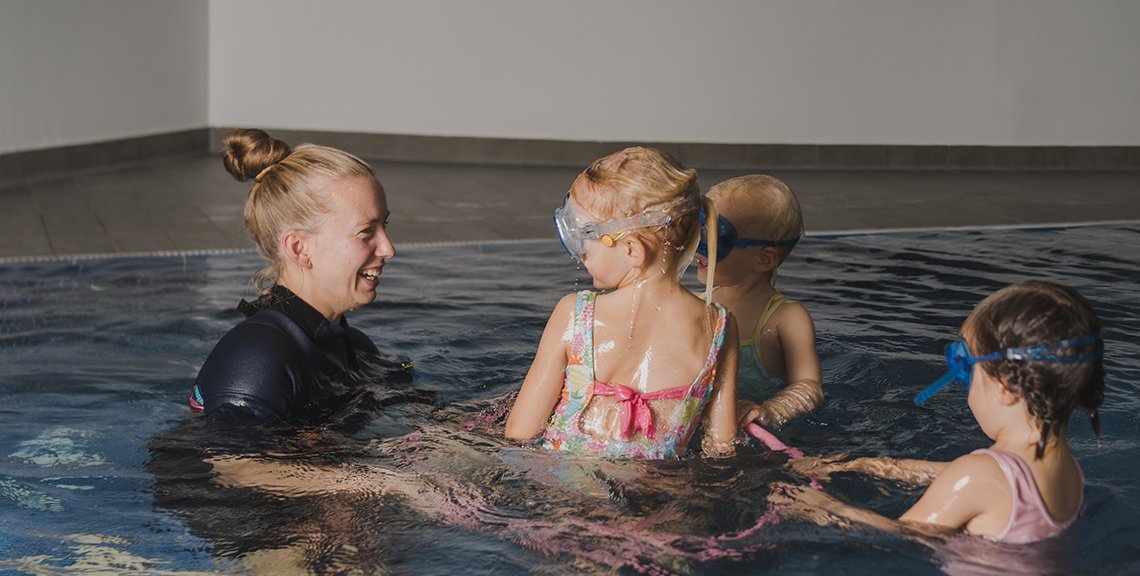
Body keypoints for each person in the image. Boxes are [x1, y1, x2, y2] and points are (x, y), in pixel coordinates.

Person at [788, 280, 1105, 544]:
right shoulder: (1065, 465)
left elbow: (902, 537)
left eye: (963, 364)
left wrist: (821, 506)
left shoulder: (977, 474)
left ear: (1007, 388)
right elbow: (966, 477)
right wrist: (868, 466)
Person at [504, 146, 739, 459]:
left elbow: (520, 433)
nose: (581, 249)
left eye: (586, 233)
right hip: (658, 497)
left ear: (632, 251)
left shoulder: (574, 314)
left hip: (562, 491)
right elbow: (721, 447)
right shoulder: (719, 326)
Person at [188, 128, 402, 423]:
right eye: (367, 232)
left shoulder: (352, 345)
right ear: (299, 248)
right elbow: (235, 467)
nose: (388, 249)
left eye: (384, 226)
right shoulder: (254, 360)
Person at [694, 175, 821, 429]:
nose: (699, 247)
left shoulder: (786, 318)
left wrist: (769, 411)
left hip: (752, 432)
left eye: (717, 240)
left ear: (763, 259)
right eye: (699, 230)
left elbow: (809, 387)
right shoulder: (695, 304)